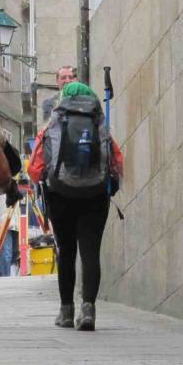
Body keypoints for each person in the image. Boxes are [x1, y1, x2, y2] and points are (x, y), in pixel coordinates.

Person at [29, 81, 123, 331]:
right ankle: (89, 309)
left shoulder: (53, 124)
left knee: (67, 251)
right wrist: (110, 187)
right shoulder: (100, 123)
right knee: (90, 252)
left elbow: (35, 169)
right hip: (94, 195)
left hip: (60, 194)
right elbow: (117, 164)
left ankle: (66, 311)